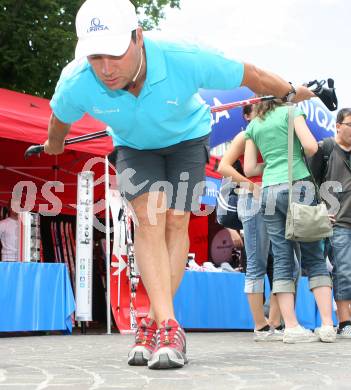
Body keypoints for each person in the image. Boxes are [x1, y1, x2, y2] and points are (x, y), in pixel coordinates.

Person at [44, 0, 316, 368]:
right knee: (150, 219)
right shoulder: (77, 81)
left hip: (187, 138)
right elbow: (59, 121)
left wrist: (291, 91)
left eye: (115, 54)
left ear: (137, 38)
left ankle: (154, 322)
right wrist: (53, 145)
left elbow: (251, 74)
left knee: (175, 220)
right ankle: (169, 324)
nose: (106, 69)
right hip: (133, 146)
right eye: (95, 58)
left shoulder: (183, 56)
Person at [244, 99, 336, 343]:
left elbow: (250, 168)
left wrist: (274, 161)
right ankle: (327, 325)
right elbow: (310, 147)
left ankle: (292, 327)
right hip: (298, 184)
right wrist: (290, 155)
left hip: (269, 190)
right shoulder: (293, 111)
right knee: (314, 256)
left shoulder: (254, 124)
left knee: (282, 258)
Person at [218, 105, 284, 341]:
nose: (262, 111)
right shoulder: (245, 135)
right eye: (255, 109)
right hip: (254, 199)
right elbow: (223, 166)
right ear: (246, 116)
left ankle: (275, 322)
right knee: (257, 261)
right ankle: (261, 325)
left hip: (279, 196)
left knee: (287, 263)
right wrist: (250, 185)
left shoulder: (278, 132)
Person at [308, 107, 351, 338]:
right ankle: (345, 322)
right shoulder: (325, 148)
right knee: (344, 271)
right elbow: (309, 181)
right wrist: (320, 207)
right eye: (350, 125)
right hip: (338, 222)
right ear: (338, 126)